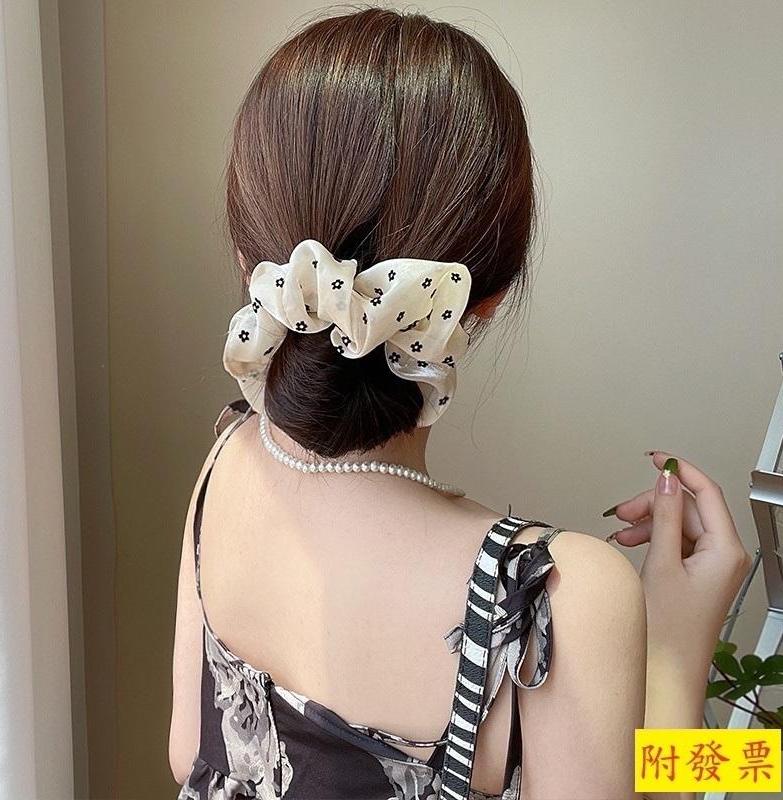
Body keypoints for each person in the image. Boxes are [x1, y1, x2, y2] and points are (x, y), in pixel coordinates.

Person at [168, 8, 752, 799]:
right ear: (488, 298)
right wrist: (676, 660)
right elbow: (660, 776)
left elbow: (191, 757)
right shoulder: (551, 598)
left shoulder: (226, 463)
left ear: (253, 266)